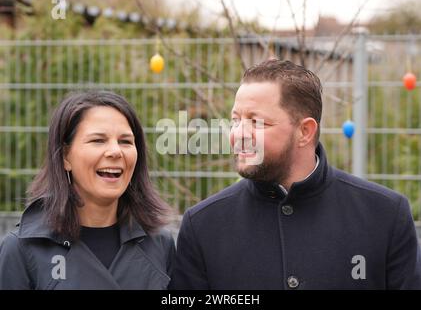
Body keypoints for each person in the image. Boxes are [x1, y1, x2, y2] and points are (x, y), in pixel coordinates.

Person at [170, 59, 421, 290]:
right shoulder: (203, 226)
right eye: (235, 120)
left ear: (305, 131)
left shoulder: (385, 216)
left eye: (256, 122)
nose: (238, 134)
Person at [0, 90, 175, 289]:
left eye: (125, 141)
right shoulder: (23, 249)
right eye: (98, 140)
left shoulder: (160, 244)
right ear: (66, 157)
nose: (116, 151)